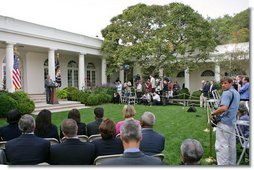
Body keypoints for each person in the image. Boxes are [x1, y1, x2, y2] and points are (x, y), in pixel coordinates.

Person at [209, 77, 240, 165]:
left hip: (224, 123)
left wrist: (212, 113)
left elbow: (224, 108)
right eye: (222, 83)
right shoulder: (236, 93)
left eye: (225, 83)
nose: (223, 85)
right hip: (232, 122)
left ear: (231, 83)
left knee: (222, 146)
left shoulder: (227, 93)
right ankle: (231, 164)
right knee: (231, 145)